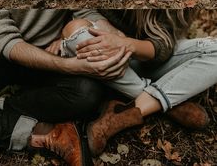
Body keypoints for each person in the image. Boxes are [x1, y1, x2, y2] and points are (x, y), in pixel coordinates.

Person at [0, 9, 130, 166]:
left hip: (47, 53)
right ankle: (45, 134)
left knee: (87, 92)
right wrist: (68, 66)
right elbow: (3, 39)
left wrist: (112, 33)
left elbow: (83, 9)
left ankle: (1, 108)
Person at [75, 9, 217, 156]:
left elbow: (163, 46)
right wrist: (114, 33)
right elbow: (81, 10)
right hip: (106, 49)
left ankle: (121, 115)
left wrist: (126, 44)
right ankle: (170, 105)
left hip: (145, 56)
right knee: (76, 31)